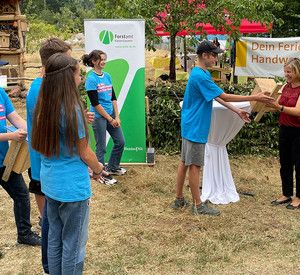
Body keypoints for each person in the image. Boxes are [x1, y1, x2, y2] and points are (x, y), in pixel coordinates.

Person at [172, 40, 274, 215]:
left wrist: (237, 111)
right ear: (204, 55)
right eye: (214, 56)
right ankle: (197, 205)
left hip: (190, 124)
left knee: (184, 162)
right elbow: (224, 96)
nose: (216, 59)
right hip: (196, 126)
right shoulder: (200, 76)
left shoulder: (199, 73)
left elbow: (216, 97)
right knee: (194, 165)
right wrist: (254, 97)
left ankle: (179, 199)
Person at [31, 53, 104, 275]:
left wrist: (80, 118)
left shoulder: (45, 105)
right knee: (73, 245)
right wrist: (100, 169)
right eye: (78, 74)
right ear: (66, 78)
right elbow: (85, 153)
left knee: (54, 238)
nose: (81, 79)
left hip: (51, 183)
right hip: (72, 189)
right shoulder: (71, 108)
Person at [0, 59, 41, 246]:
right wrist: (11, 136)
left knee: (21, 195)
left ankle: (24, 234)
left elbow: (14, 117)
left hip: (3, 161)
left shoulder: (1, 93)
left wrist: (33, 134)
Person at [82, 50, 126, 185]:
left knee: (120, 141)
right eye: (101, 59)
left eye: (105, 59)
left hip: (111, 115)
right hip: (99, 117)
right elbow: (95, 103)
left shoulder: (107, 76)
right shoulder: (91, 79)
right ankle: (102, 174)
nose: (104, 62)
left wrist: (116, 117)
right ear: (94, 61)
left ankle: (113, 166)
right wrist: (110, 119)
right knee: (101, 147)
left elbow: (113, 97)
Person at [267, 58, 300, 210]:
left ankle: (299, 197)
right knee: (285, 164)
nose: (286, 74)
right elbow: (276, 105)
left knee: (299, 165)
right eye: (285, 71)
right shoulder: (286, 87)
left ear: (297, 71)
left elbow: (298, 111)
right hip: (284, 129)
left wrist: (279, 107)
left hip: (298, 131)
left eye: (289, 72)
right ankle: (286, 194)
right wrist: (265, 102)